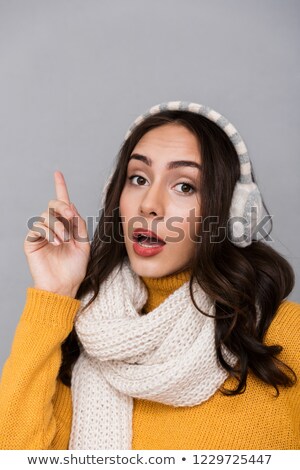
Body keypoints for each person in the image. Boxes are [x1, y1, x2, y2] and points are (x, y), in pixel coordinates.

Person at [0, 101, 299, 450]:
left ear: (231, 212)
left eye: (184, 186)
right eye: (138, 179)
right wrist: (54, 294)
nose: (149, 204)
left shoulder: (286, 336)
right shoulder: (80, 332)